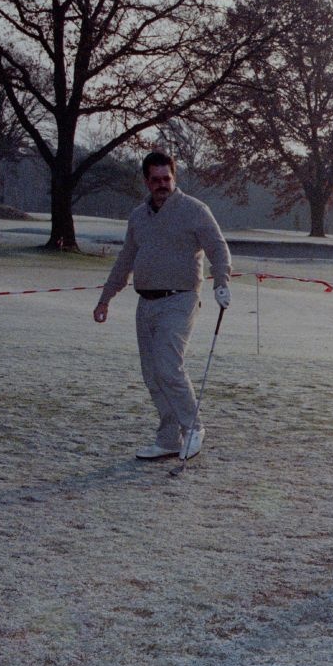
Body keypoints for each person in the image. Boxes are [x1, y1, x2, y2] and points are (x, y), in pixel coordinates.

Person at [93, 151, 232, 461]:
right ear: (146, 181)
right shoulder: (138, 216)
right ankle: (169, 438)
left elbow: (217, 248)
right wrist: (105, 298)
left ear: (174, 178)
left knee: (168, 367)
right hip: (147, 302)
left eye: (166, 178)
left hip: (180, 298)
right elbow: (125, 260)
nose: (161, 185)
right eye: (155, 180)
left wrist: (221, 281)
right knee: (152, 374)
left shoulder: (194, 210)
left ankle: (193, 427)